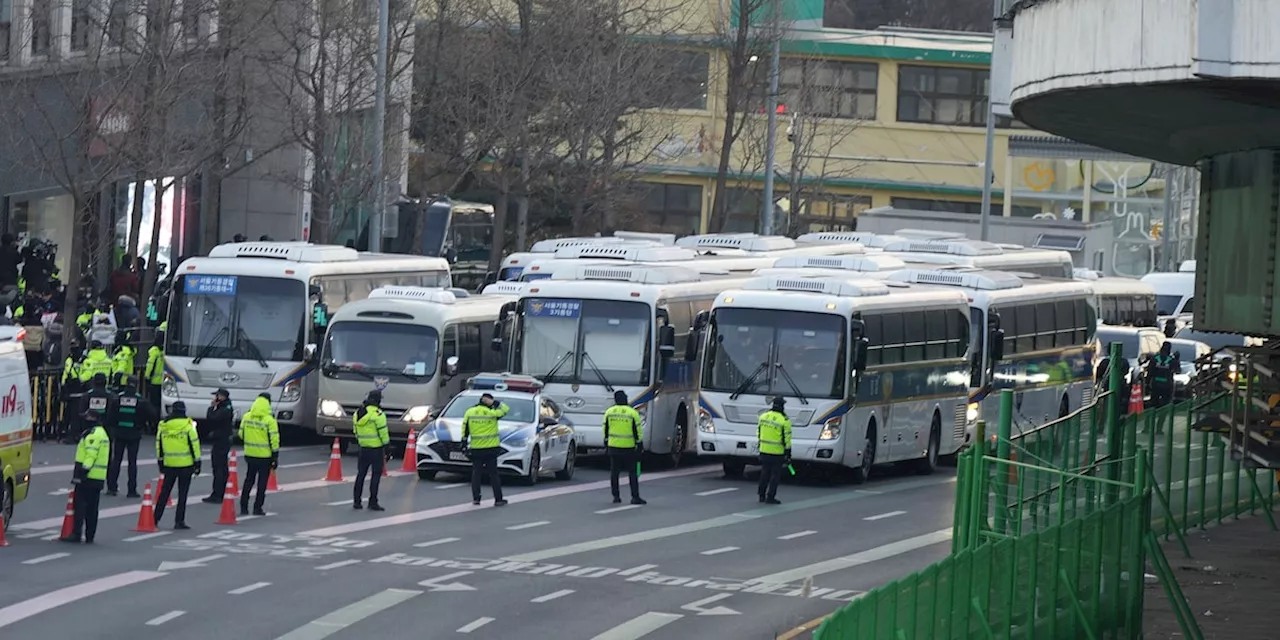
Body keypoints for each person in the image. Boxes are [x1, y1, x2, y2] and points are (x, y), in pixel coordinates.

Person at [61, 412, 110, 544]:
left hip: (88, 476)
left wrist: (82, 472)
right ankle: (90, 536)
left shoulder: (93, 434)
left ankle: (77, 534)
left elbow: (91, 454)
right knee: (93, 508)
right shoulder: (103, 433)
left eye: (87, 418)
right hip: (98, 477)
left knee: (80, 506)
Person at [106, 375, 155, 498]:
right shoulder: (141, 400)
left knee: (116, 460)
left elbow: (110, 417)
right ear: (137, 384)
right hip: (134, 434)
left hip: (120, 432)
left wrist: (116, 426)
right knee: (132, 463)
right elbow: (152, 415)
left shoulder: (118, 398)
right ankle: (131, 490)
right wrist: (142, 424)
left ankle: (112, 487)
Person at [155, 401, 201, 530]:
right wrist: (197, 462)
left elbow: (159, 445)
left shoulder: (163, 426)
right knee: (183, 494)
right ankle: (179, 521)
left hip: (169, 464)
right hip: (186, 464)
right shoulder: (188, 425)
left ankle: (155, 518)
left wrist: (160, 461)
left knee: (164, 493)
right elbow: (195, 445)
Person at [462, 392, 510, 507]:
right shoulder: (492, 413)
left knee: (476, 473)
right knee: (493, 474)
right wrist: (495, 403)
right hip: (491, 448)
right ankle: (498, 499)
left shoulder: (470, 412)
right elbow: (506, 410)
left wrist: (463, 442)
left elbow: (465, 428)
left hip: (476, 447)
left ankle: (476, 499)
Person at [603, 390, 646, 505]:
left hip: (613, 447)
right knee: (633, 472)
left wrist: (606, 442)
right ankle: (635, 497)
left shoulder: (609, 412)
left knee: (614, 473)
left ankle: (616, 496)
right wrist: (639, 444)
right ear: (625, 399)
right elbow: (638, 431)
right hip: (629, 448)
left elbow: (605, 430)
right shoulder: (632, 413)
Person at [238, 393, 278, 516]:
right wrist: (275, 456)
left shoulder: (246, 417)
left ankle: (243, 507)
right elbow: (274, 439)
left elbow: (241, 434)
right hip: (265, 457)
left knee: (248, 480)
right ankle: (257, 508)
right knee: (262, 483)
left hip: (250, 454)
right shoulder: (269, 420)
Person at [352, 390, 390, 511]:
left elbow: (355, 431)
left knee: (361, 475)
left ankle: (357, 502)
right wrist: (387, 448)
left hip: (363, 448)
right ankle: (373, 502)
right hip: (376, 449)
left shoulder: (358, 413)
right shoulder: (378, 414)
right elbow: (383, 433)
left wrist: (361, 442)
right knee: (375, 476)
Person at [756, 396, 792, 505]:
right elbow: (787, 439)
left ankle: (761, 495)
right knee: (775, 476)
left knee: (764, 473)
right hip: (777, 452)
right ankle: (770, 497)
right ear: (782, 406)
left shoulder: (763, 417)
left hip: (764, 450)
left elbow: (758, 432)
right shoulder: (784, 421)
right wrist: (788, 453)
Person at [202, 388, 235, 504]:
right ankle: (219, 492)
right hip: (222, 439)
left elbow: (212, 418)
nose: (215, 398)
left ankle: (218, 493)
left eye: (217, 396)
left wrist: (211, 408)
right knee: (221, 467)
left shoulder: (224, 409)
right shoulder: (226, 407)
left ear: (221, 397)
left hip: (221, 440)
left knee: (218, 467)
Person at [1146, 342, 1179, 409]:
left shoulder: (1154, 358)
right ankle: (1161, 418)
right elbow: (1177, 370)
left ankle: (1152, 417)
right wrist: (1177, 359)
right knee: (1165, 405)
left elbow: (1149, 372)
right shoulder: (1172, 360)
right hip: (1167, 385)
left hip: (1155, 384)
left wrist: (1147, 384)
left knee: (1153, 404)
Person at [144, 335, 164, 416]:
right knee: (160, 403)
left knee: (153, 403)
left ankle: (153, 420)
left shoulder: (154, 351)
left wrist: (147, 376)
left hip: (154, 382)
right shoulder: (165, 351)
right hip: (163, 382)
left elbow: (150, 365)